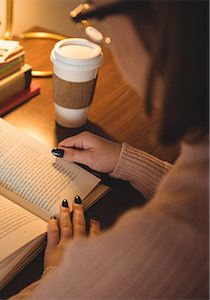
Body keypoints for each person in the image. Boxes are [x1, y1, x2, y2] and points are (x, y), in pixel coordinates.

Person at [12, 1, 209, 298]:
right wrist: (131, 164)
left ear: (160, 29)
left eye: (99, 16)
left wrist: (59, 278)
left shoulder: (156, 255)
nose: (110, 38)